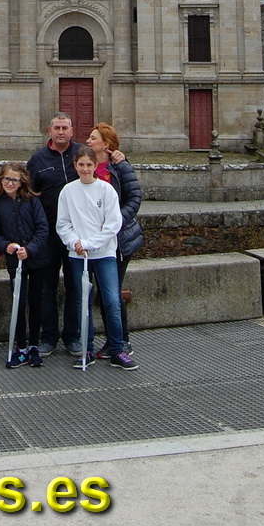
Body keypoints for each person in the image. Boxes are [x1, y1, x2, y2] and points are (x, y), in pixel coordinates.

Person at [56, 147, 138, 370]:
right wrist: (75, 242)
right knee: (82, 302)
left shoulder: (106, 190)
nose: (85, 169)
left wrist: (90, 244)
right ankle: (87, 349)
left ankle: (117, 349)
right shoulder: (68, 191)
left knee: (111, 300)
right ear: (75, 165)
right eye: (81, 165)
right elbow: (63, 223)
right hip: (78, 255)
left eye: (89, 165)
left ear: (95, 166)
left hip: (104, 254)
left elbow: (113, 224)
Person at [85, 122, 144, 358]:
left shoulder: (120, 166)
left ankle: (122, 341)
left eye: (93, 138)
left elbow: (135, 198)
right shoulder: (87, 166)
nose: (88, 141)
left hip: (119, 240)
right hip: (94, 240)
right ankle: (112, 341)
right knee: (102, 291)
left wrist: (116, 222)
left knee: (111, 292)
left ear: (106, 144)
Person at [26, 114, 82, 356]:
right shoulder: (37, 160)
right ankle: (48, 337)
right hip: (48, 234)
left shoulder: (82, 154)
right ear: (49, 131)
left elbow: (103, 168)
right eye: (57, 128)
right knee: (46, 288)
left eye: (64, 128)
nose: (60, 132)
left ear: (72, 131)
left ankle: (72, 337)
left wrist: (120, 156)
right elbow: (30, 195)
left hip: (76, 234)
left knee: (75, 287)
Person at [0, 162, 49, 368]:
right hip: (14, 260)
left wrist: (30, 249)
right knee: (18, 302)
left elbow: (42, 228)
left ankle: (34, 345)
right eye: (7, 179)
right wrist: (5, 245)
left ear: (21, 182)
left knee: (35, 301)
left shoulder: (32, 200)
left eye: (14, 180)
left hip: (36, 259)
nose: (10, 183)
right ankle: (21, 347)